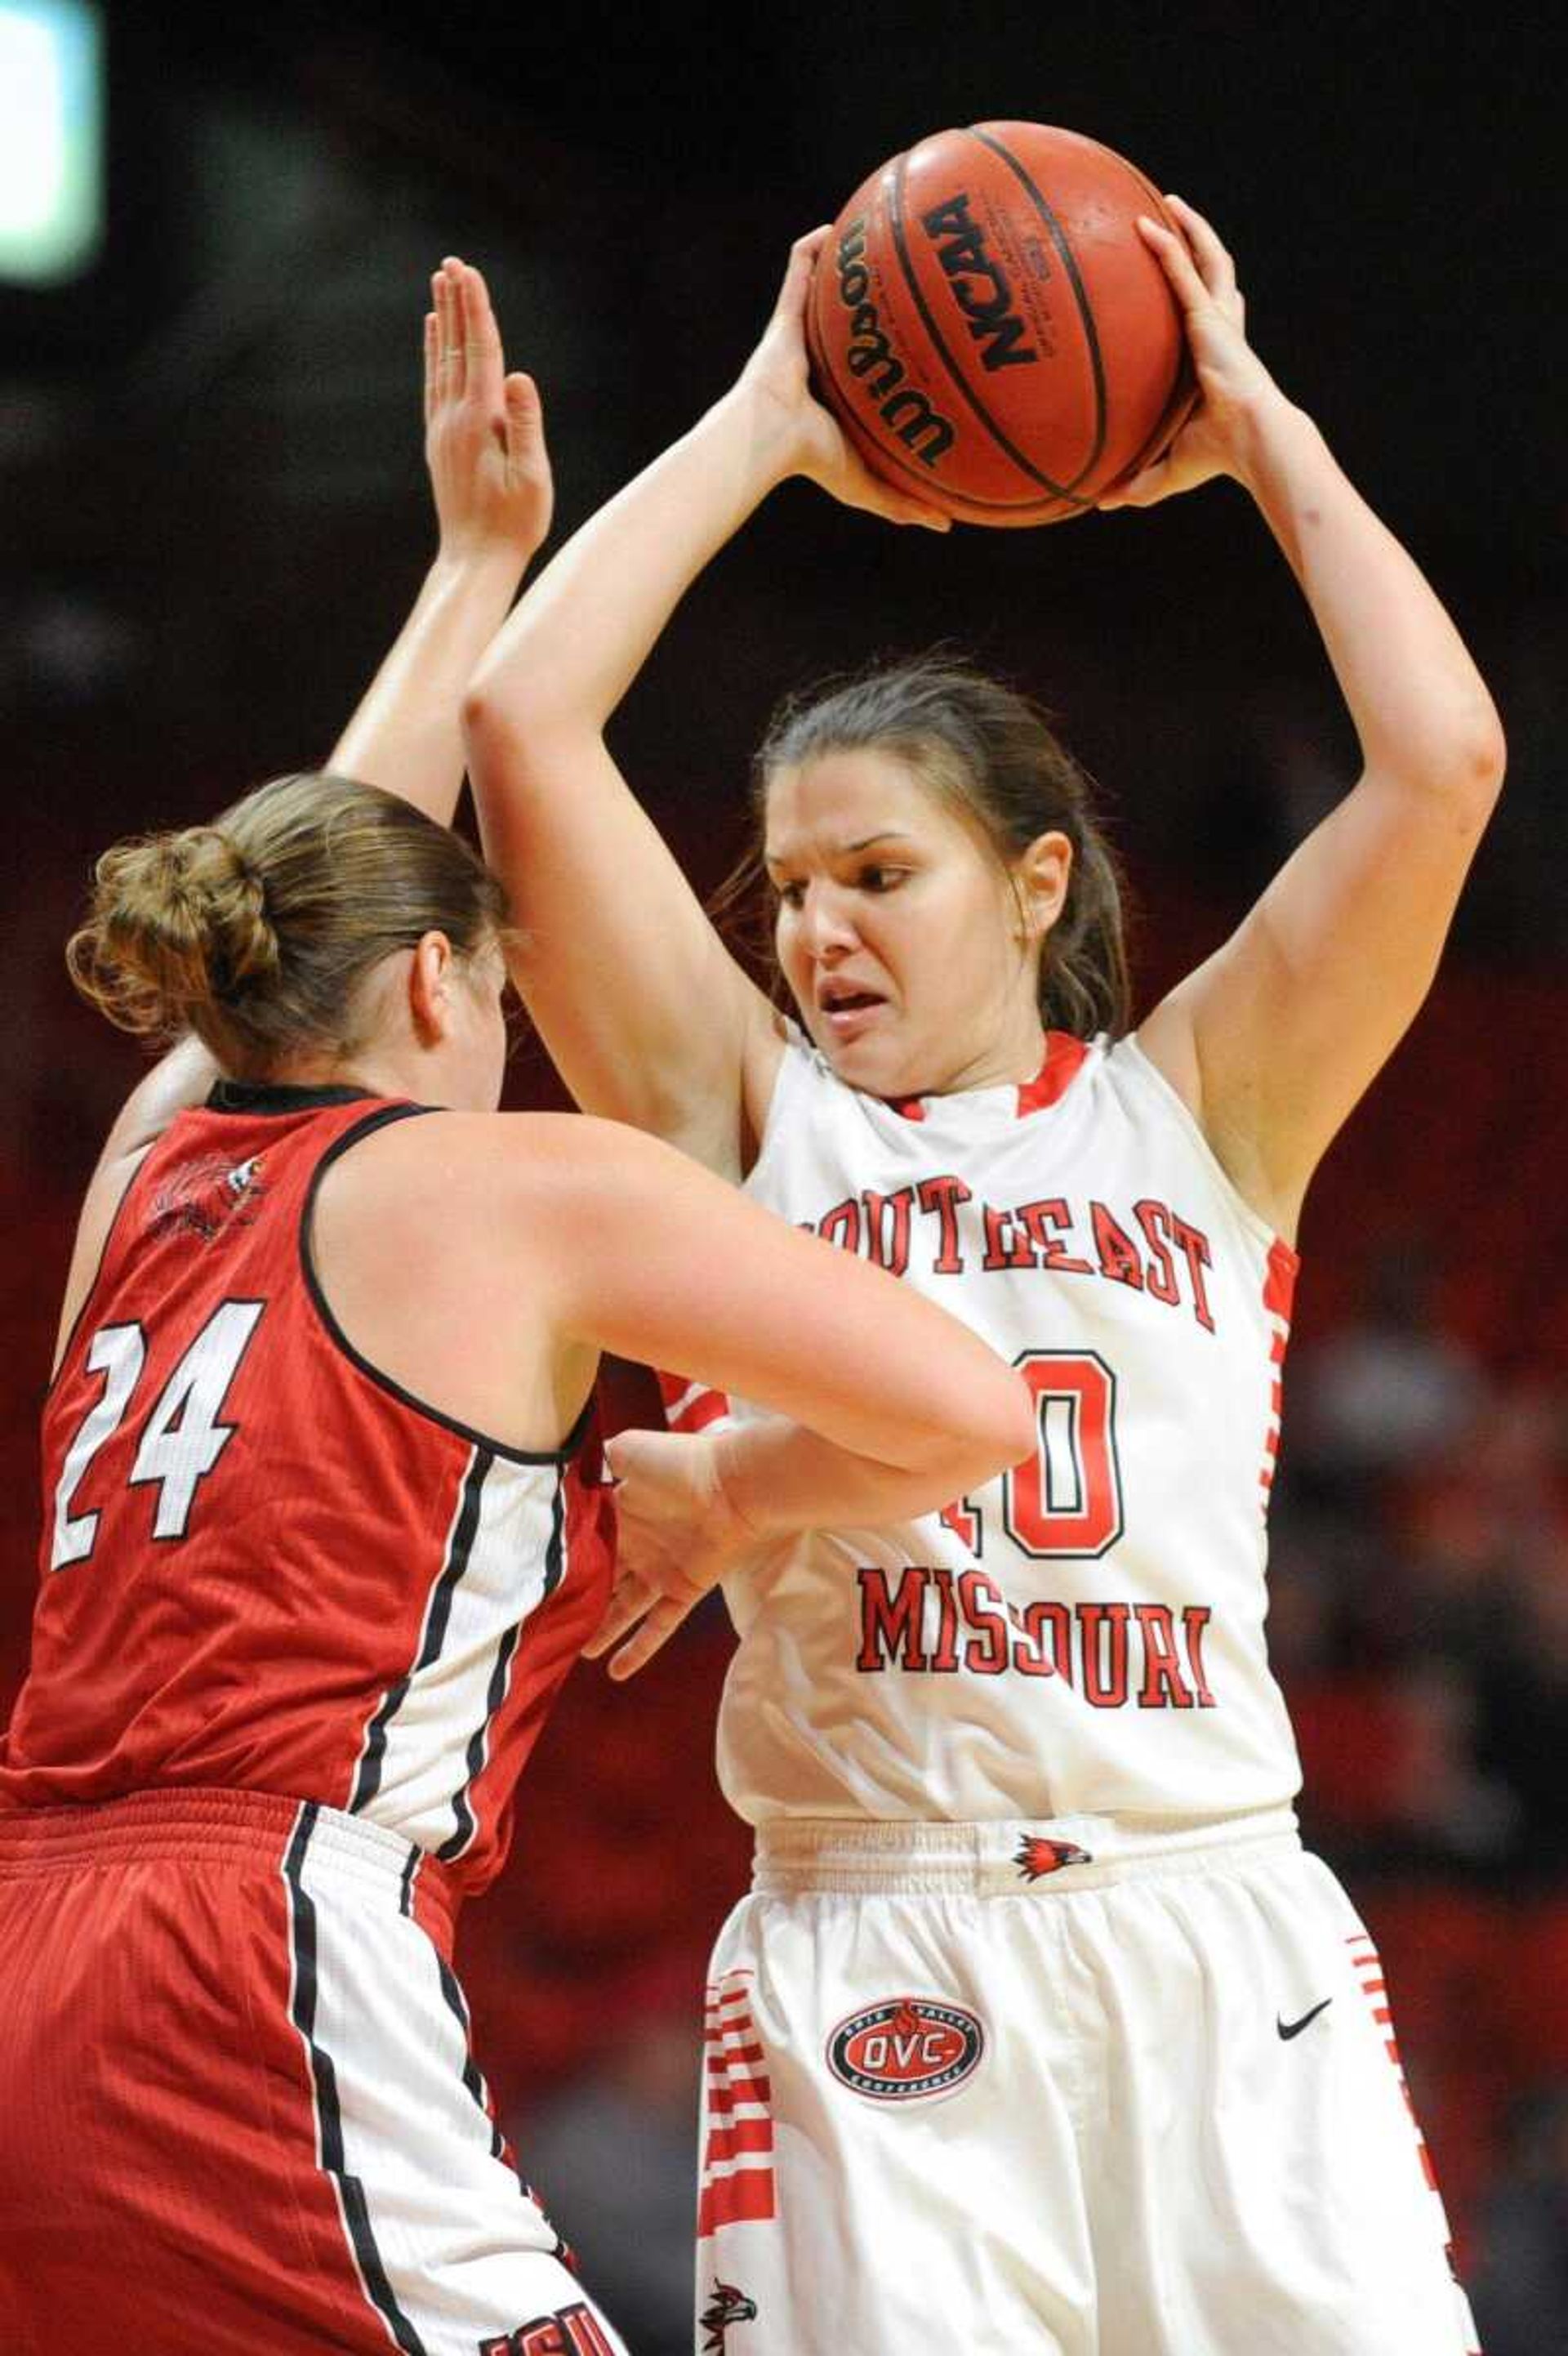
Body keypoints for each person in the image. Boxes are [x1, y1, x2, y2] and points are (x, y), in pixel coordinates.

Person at [461, 202, 1506, 2355]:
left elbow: (1447, 763)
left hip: (1218, 1918)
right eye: (794, 887)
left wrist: (1262, 438)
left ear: (1037, 880)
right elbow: (521, 726)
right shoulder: (744, 1130)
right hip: (887, 1950)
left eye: (880, 873)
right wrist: (763, 421)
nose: (820, 928)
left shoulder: (1209, 1102)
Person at [0, 261, 1036, 2356]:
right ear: (445, 986)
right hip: (263, 1944)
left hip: (27, 1941)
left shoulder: (145, 1181)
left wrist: (476, 565)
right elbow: (974, 1409)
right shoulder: (521, 1181)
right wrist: (737, 1485)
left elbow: (306, 890)